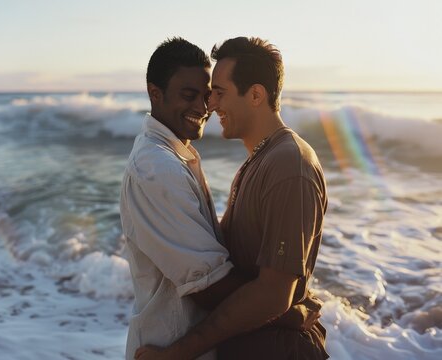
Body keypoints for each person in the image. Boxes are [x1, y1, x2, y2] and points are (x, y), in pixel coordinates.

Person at [121, 37, 320, 360]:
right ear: (154, 93)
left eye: (213, 93)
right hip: (168, 345)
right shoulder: (158, 168)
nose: (206, 106)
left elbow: (229, 267)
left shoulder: (285, 162)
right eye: (192, 95)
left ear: (255, 95)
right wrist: (288, 310)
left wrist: (278, 298)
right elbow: (207, 283)